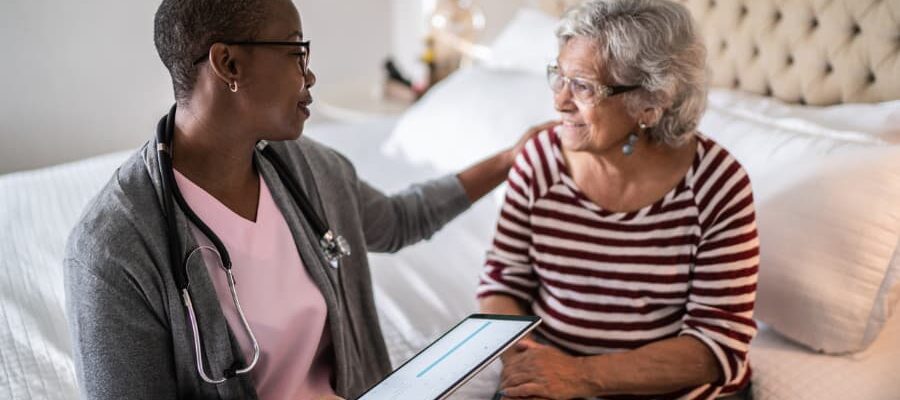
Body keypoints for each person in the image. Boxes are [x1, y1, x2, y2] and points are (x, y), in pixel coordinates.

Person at [63, 0, 554, 399]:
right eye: (297, 52)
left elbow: (402, 220)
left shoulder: (310, 170)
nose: (311, 75)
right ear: (228, 63)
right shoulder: (111, 252)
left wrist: (508, 160)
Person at [477, 0, 759, 399]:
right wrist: (531, 365)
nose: (559, 100)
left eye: (583, 86)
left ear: (650, 102)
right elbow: (502, 281)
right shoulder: (539, 161)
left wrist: (580, 375)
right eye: (559, 75)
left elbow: (718, 347)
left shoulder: (717, 185)